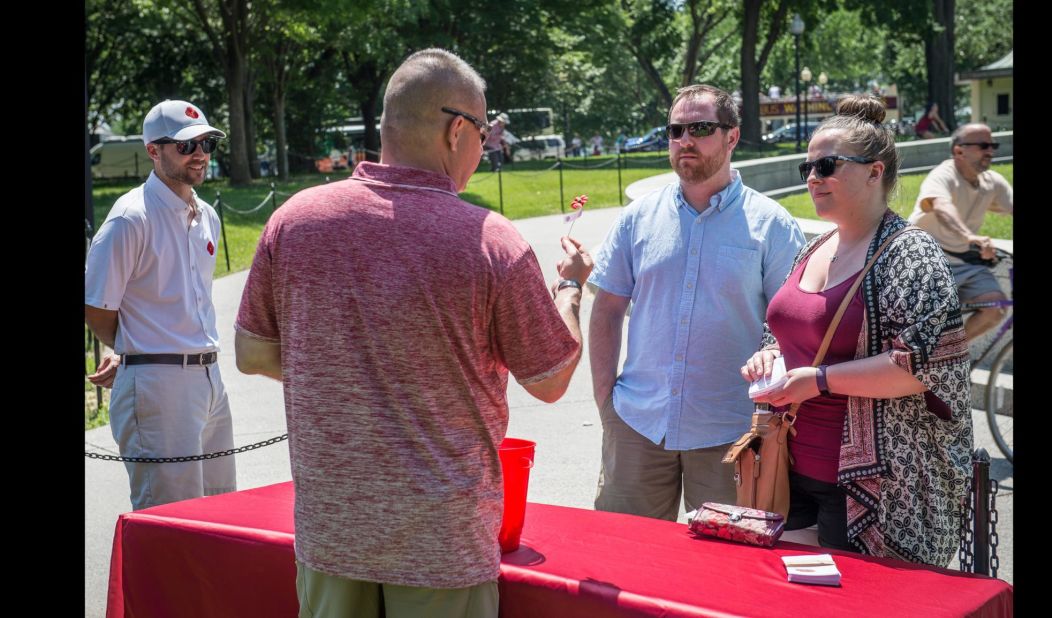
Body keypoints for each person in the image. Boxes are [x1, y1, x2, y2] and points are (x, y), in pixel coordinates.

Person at [234, 48, 593, 618]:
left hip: (331, 536)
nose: (487, 144)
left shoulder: (294, 221)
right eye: (484, 130)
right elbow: (550, 379)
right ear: (456, 130)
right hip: (442, 546)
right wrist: (571, 289)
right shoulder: (492, 242)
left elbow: (252, 352)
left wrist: (346, 364)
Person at [741, 95, 972, 567]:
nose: (812, 177)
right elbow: (782, 328)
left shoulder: (911, 253)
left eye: (827, 165)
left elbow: (921, 366)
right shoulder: (815, 246)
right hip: (789, 468)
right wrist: (769, 355)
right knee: (792, 600)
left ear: (874, 172)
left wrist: (820, 379)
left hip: (875, 489)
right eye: (806, 167)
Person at [588, 84, 805, 522]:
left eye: (701, 128)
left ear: (732, 137)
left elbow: (792, 325)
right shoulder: (637, 219)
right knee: (626, 559)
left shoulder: (772, 225)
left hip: (731, 431)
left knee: (726, 578)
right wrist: (605, 402)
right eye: (675, 129)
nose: (685, 140)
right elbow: (607, 310)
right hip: (638, 425)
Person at [84, 99, 235, 511]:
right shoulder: (130, 219)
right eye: (186, 145)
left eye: (206, 143)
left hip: (209, 379)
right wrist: (139, 351)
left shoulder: (206, 214)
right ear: (154, 150)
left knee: (223, 510)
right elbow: (96, 307)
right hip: (158, 386)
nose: (200, 153)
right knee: (171, 522)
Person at [909, 123, 1012, 339]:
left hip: (966, 264)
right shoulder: (943, 175)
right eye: (983, 145)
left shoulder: (992, 182)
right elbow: (941, 207)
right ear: (959, 150)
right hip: (927, 262)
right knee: (923, 321)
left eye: (993, 145)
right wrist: (969, 237)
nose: (990, 151)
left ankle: (952, 354)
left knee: (996, 308)